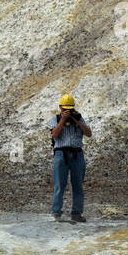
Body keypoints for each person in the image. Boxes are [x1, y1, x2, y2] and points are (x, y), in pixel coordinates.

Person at [49, 93, 92, 222]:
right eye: (65, 109)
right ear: (60, 108)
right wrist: (62, 120)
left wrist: (77, 120)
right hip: (61, 154)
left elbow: (89, 133)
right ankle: (56, 213)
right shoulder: (55, 119)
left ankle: (77, 213)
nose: (67, 111)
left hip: (77, 154)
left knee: (78, 185)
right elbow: (55, 134)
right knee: (59, 185)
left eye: (70, 108)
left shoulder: (79, 118)